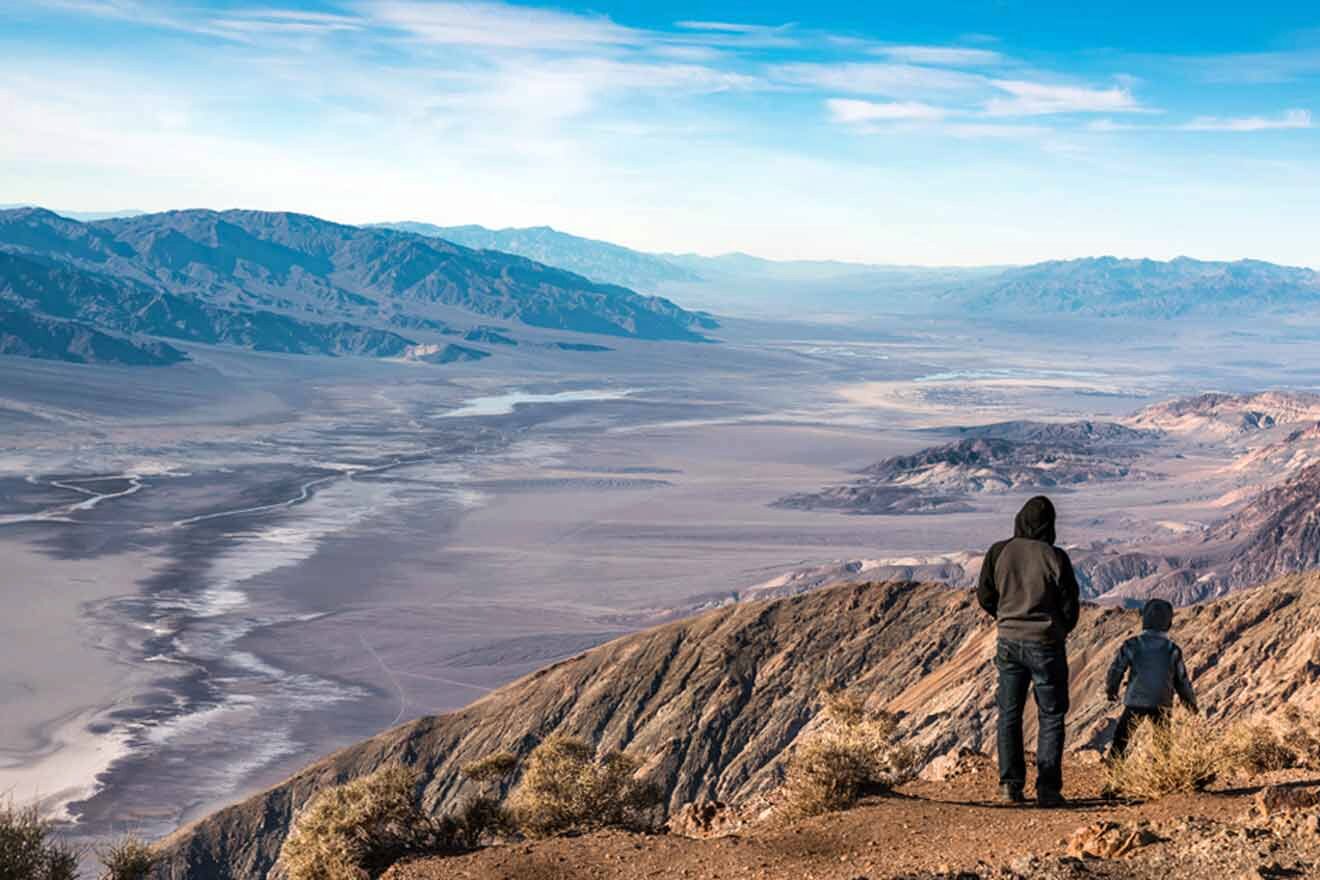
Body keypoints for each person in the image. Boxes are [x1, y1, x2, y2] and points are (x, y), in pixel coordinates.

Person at [977, 495, 1081, 807]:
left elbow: (985, 595)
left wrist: (1006, 617)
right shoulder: (1055, 556)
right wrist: (1057, 629)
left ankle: (1011, 786)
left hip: (1008, 643)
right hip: (1046, 645)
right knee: (1051, 715)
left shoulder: (999, 552)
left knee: (1009, 713)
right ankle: (1048, 790)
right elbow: (1069, 606)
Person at [1105, 598, 1197, 759]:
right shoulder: (1172, 650)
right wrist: (1190, 704)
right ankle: (1163, 776)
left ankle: (1113, 778)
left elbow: (1116, 669)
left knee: (1121, 739)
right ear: (1168, 623)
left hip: (1136, 700)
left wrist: (1111, 690)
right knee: (1163, 742)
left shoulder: (1133, 644)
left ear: (1144, 620)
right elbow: (1182, 682)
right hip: (1162, 702)